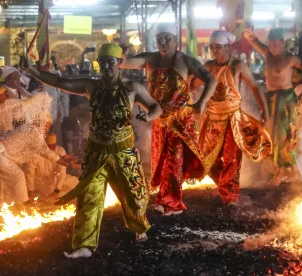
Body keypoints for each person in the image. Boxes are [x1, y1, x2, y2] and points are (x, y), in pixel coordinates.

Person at [22, 43, 163, 258]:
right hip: (96, 152)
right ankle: (84, 246)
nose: (106, 66)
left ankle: (139, 228)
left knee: (134, 195)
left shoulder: (132, 88)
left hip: (124, 151)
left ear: (119, 63)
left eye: (110, 62)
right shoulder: (91, 86)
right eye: (102, 62)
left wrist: (148, 116)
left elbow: (156, 107)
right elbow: (60, 82)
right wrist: (32, 71)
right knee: (89, 196)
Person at [120, 23, 217, 215]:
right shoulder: (149, 59)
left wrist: (202, 102)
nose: (163, 43)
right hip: (159, 119)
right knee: (163, 161)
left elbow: (211, 80)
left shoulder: (186, 61)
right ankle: (166, 198)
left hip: (180, 119)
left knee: (174, 159)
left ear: (175, 39)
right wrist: (120, 52)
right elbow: (123, 62)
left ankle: (172, 203)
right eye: (159, 39)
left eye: (167, 38)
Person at [196, 30, 270, 204]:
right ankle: (224, 185)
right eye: (212, 47)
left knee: (231, 158)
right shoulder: (208, 67)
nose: (214, 50)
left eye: (218, 47)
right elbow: (194, 84)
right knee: (206, 158)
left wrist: (264, 111)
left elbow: (255, 88)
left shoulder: (238, 66)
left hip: (232, 119)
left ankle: (230, 196)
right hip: (212, 119)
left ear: (227, 46)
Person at [243, 27, 302, 185]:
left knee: (283, 135)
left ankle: (281, 172)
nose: (272, 47)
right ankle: (293, 172)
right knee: (272, 134)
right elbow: (253, 41)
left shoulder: (291, 59)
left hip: (286, 99)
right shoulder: (267, 53)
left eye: (275, 44)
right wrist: (248, 33)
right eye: (270, 44)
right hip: (271, 99)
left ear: (283, 43)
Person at [0, 111, 70, 216]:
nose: (48, 128)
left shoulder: (27, 129)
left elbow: (44, 152)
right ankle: (22, 209)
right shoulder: (35, 132)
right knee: (18, 176)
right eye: (47, 124)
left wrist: (63, 158)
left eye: (49, 125)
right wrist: (66, 162)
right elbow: (47, 153)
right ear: (41, 123)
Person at [25, 133, 78, 200]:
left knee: (76, 182)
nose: (51, 148)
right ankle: (48, 197)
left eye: (53, 145)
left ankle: (55, 196)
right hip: (40, 181)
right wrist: (30, 191)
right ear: (45, 146)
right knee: (48, 192)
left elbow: (62, 173)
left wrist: (57, 190)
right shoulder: (36, 153)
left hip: (55, 177)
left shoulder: (60, 150)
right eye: (49, 146)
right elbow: (30, 172)